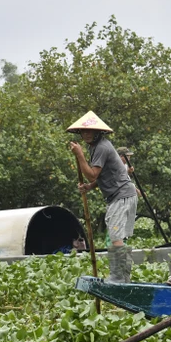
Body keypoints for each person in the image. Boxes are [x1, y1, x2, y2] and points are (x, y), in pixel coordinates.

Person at [68, 111, 138, 284]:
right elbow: (101, 177)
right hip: (122, 195)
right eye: (84, 132)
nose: (86, 134)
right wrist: (89, 187)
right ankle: (123, 277)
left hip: (121, 195)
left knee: (115, 236)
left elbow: (92, 174)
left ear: (98, 132)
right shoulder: (96, 147)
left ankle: (118, 277)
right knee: (116, 236)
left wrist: (80, 155)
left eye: (90, 131)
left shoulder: (101, 147)